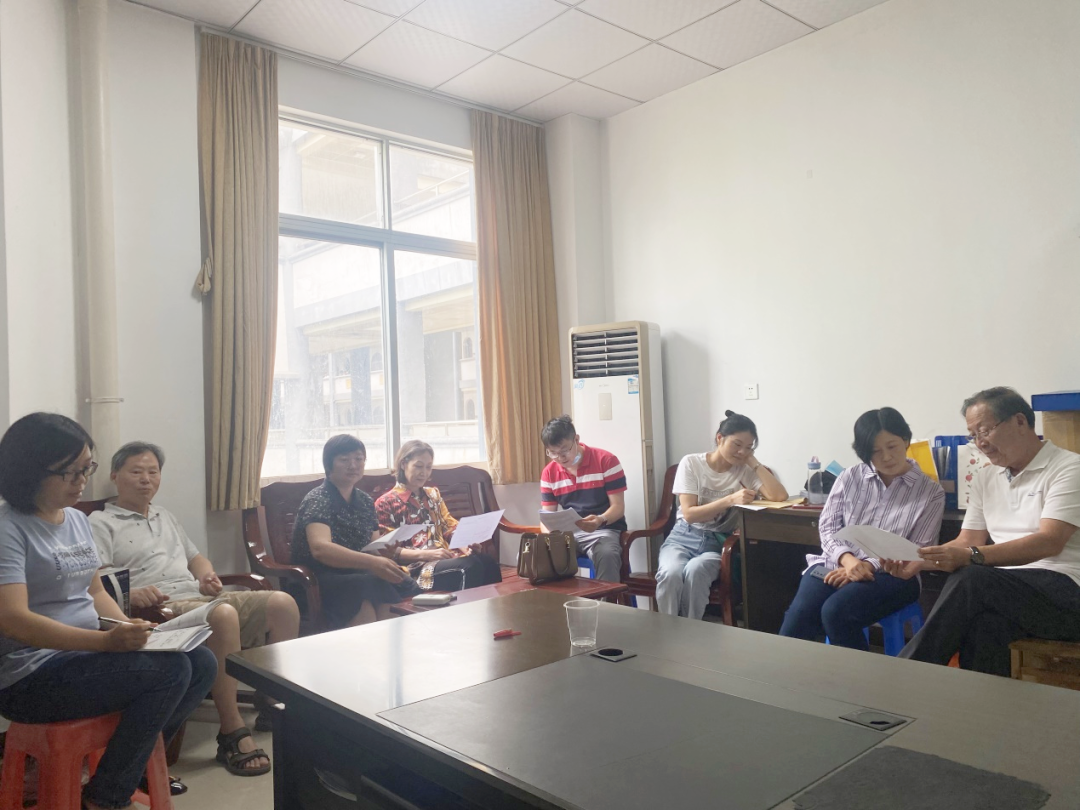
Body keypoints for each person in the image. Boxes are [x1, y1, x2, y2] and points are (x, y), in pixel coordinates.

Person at [0, 413, 216, 810]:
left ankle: (121, 771)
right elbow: (14, 620)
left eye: (87, 468)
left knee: (201, 662)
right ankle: (106, 798)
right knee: (170, 672)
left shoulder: (76, 520)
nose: (82, 481)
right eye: (70, 472)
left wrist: (127, 625)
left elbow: (94, 589)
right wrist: (104, 642)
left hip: (84, 657)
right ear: (30, 470)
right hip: (31, 676)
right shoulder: (8, 528)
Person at [90, 441, 300, 777]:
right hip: (161, 608)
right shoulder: (100, 522)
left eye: (153, 472)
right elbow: (97, 580)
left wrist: (206, 576)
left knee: (282, 603)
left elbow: (195, 557)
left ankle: (270, 699)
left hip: (197, 598)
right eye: (136, 471)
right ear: (115, 476)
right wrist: (133, 593)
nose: (146, 479)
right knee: (223, 615)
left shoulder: (165, 515)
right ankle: (231, 731)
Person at [900, 387, 1080, 675]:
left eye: (984, 431)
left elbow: (1050, 541)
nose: (980, 443)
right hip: (1006, 592)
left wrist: (972, 556)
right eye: (973, 436)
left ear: (1020, 421)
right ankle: (978, 703)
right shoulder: (986, 477)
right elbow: (968, 540)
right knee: (986, 627)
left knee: (972, 577)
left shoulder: (1069, 468)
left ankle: (908, 672)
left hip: (1067, 594)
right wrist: (918, 560)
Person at [779, 408, 944, 649]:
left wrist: (866, 565)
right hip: (836, 563)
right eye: (875, 451)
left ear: (906, 440)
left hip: (894, 574)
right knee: (800, 615)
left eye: (892, 446)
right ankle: (786, 673)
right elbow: (827, 526)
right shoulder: (849, 477)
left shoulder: (930, 492)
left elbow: (918, 549)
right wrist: (848, 561)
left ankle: (857, 675)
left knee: (837, 611)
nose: (886, 457)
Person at [656, 411, 788, 620]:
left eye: (749, 447)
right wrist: (730, 500)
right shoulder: (691, 463)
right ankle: (668, 629)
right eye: (737, 444)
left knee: (696, 571)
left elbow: (779, 496)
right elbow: (689, 514)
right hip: (683, 537)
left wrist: (752, 461)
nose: (741, 452)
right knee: (670, 573)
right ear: (720, 438)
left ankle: (690, 630)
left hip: (716, 542)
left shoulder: (744, 470)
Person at [291, 435, 416, 628]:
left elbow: (373, 547)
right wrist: (373, 562)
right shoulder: (318, 499)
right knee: (366, 591)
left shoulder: (365, 500)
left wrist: (386, 552)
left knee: (401, 583)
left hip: (359, 574)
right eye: (344, 460)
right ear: (329, 464)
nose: (353, 465)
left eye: (359, 459)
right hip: (319, 579)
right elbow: (320, 549)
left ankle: (391, 643)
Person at [375, 440, 502, 592]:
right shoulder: (386, 502)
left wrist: (466, 545)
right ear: (403, 464)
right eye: (418, 466)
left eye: (428, 467)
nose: (424, 472)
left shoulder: (433, 494)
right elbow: (385, 549)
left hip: (445, 557)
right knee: (468, 567)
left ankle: (495, 606)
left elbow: (448, 527)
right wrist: (427, 554)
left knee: (488, 562)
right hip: (415, 567)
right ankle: (466, 607)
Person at [539, 416, 626, 583]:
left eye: (564, 450)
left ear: (576, 440)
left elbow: (618, 507)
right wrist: (551, 537)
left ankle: (606, 600)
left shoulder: (606, 461)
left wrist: (600, 520)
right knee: (536, 555)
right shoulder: (549, 472)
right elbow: (546, 517)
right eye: (553, 453)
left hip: (603, 530)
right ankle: (558, 600)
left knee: (607, 554)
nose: (560, 458)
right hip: (568, 535)